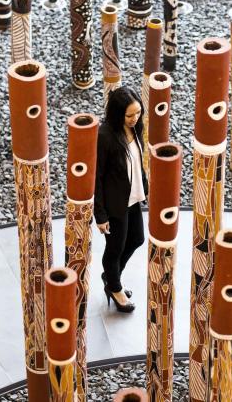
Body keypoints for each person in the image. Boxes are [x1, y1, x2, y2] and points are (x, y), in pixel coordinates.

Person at [94, 86, 147, 313]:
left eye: (138, 113)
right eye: (129, 115)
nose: (135, 118)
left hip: (133, 196)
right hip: (115, 204)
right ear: (117, 114)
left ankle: (111, 276)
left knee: (136, 239)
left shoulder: (135, 128)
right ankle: (115, 287)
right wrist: (101, 214)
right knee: (114, 249)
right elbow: (97, 176)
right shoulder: (105, 136)